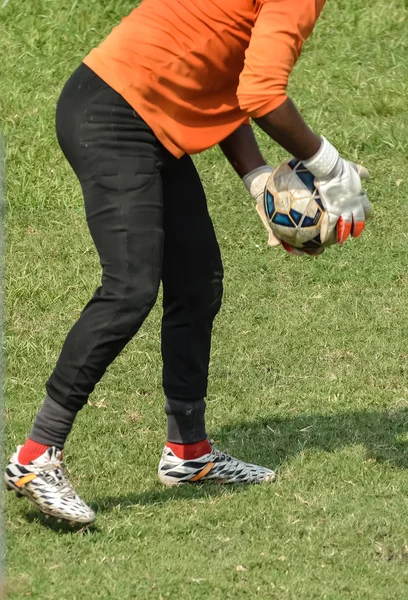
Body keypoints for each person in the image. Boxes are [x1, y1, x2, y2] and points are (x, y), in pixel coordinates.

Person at [5, 0, 370, 524]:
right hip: (114, 113)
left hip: (138, 114)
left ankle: (189, 455)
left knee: (197, 281)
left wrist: (258, 180)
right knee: (129, 287)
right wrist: (331, 169)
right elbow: (262, 95)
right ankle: (35, 457)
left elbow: (226, 77)